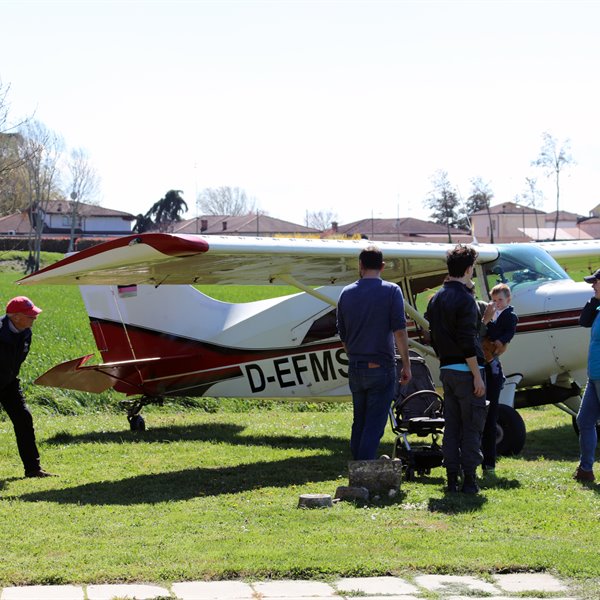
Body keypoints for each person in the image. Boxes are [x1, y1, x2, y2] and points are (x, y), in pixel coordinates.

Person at [337, 245, 412, 460]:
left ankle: (357, 468)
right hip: (381, 367)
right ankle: (363, 472)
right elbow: (399, 331)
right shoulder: (391, 291)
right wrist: (406, 365)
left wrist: (353, 357)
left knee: (359, 421)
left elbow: (342, 334)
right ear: (382, 266)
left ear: (360, 266)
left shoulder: (346, 293)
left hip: (356, 367)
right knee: (374, 425)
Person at [425, 245, 486, 494]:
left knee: (451, 426)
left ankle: (451, 478)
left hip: (447, 368)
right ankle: (469, 479)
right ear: (469, 269)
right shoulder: (466, 300)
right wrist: (477, 375)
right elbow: (468, 340)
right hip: (465, 369)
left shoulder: (436, 299)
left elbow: (433, 335)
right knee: (471, 425)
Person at [0, 296, 55, 478]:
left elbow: (19, 359)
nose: (34, 318)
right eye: (30, 315)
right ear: (15, 316)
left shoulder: (26, 332)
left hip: (8, 383)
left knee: (24, 419)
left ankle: (33, 469)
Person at [479, 283, 518, 474]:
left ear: (508, 300)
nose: (497, 304)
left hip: (494, 354)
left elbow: (507, 332)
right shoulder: (490, 313)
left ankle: (488, 462)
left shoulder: (509, 315)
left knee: (490, 411)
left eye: (500, 300)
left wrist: (501, 340)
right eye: (494, 300)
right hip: (489, 355)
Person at [573, 268, 600, 482]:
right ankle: (586, 470)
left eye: (596, 282)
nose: (593, 286)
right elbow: (583, 321)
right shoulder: (598, 307)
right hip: (595, 375)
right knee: (584, 420)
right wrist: (594, 301)